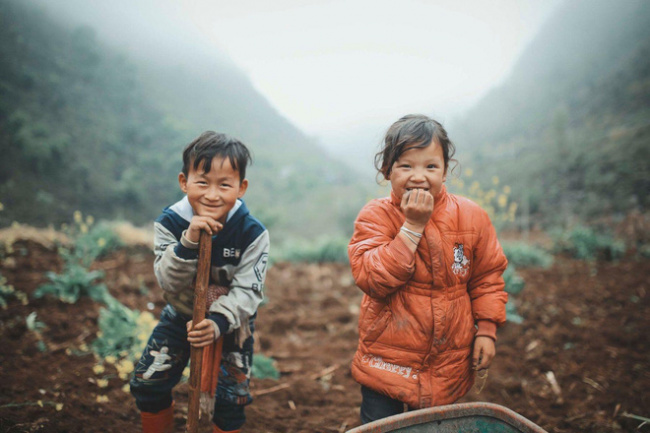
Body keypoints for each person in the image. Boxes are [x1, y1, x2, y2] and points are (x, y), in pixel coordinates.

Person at [348, 114, 508, 424]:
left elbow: (488, 277)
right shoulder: (376, 216)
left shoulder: (471, 216)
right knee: (381, 428)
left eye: (430, 166)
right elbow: (372, 279)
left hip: (446, 362)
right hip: (387, 360)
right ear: (387, 171)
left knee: (434, 428)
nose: (419, 176)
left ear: (446, 170)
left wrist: (487, 330)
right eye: (406, 166)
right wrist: (412, 226)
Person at [130, 131, 270, 433]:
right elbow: (167, 281)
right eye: (202, 182)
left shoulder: (252, 233)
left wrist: (218, 321)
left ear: (241, 187)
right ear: (184, 182)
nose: (212, 194)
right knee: (148, 383)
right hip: (181, 315)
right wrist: (189, 241)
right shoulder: (170, 222)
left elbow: (249, 290)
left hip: (232, 324)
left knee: (230, 402)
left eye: (225, 184)